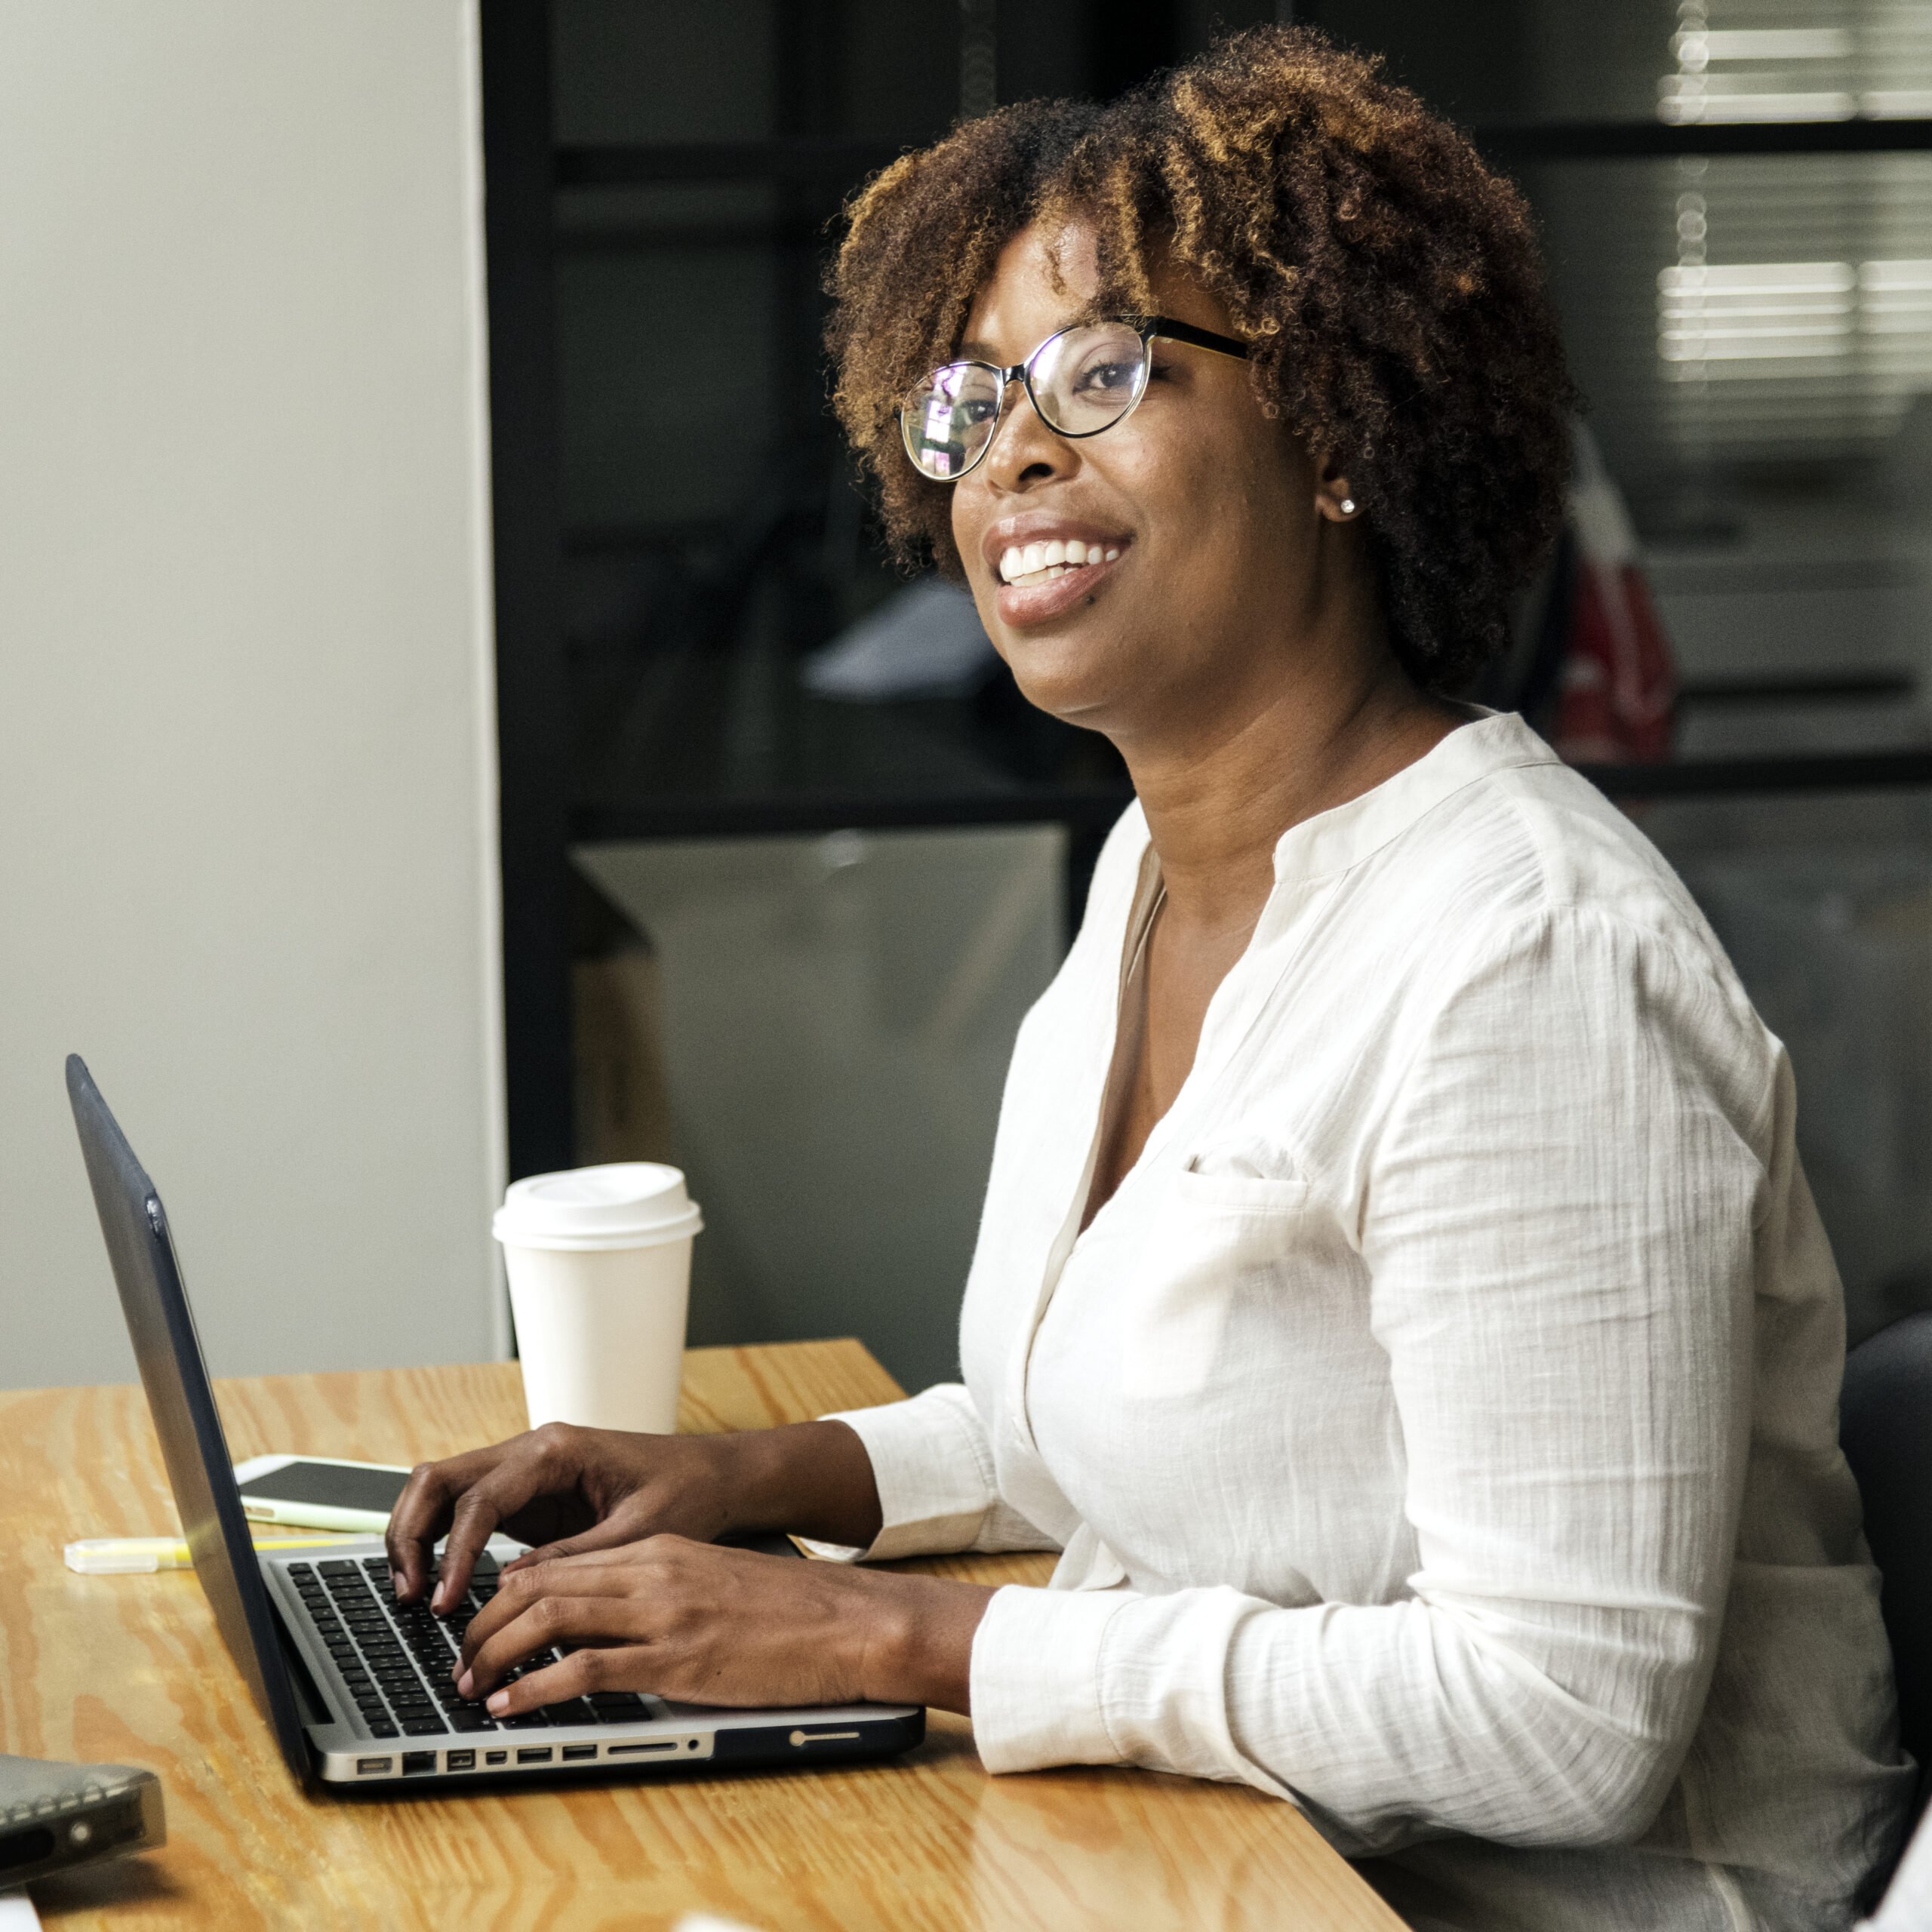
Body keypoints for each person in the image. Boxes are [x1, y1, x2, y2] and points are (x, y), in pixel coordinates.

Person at [388, 28, 1912, 1928]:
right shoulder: (1152, 872)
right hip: (1240, 1865)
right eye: (970, 402)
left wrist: (893, 1639)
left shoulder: (1524, 962)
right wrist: (732, 1475)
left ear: (1339, 431)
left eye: (1103, 373)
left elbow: (1564, 1713)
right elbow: (1104, 1430)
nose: (1012, 452)